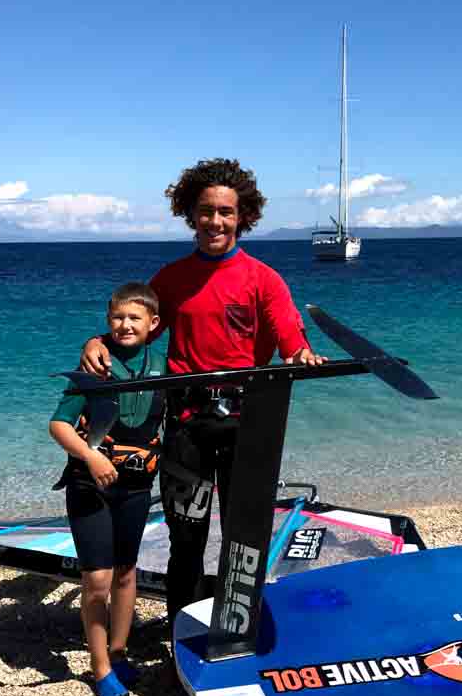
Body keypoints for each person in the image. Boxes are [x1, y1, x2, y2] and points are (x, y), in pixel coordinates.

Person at [80, 158, 324, 630]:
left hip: (246, 424)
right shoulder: (171, 279)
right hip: (187, 424)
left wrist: (302, 355)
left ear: (242, 216)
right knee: (186, 540)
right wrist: (96, 342)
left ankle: (239, 628)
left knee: (244, 537)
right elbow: (136, 331)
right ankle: (183, 633)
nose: (215, 221)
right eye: (206, 211)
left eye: (226, 212)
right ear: (191, 214)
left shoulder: (263, 279)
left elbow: (291, 339)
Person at [50, 282, 165, 696]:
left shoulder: (165, 366)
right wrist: (90, 456)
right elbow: (58, 424)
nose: (125, 325)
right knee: (97, 579)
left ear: (153, 323)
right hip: (89, 484)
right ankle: (99, 667)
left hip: (136, 486)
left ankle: (119, 652)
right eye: (117, 317)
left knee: (126, 572)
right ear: (106, 321)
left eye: (135, 318)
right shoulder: (94, 366)